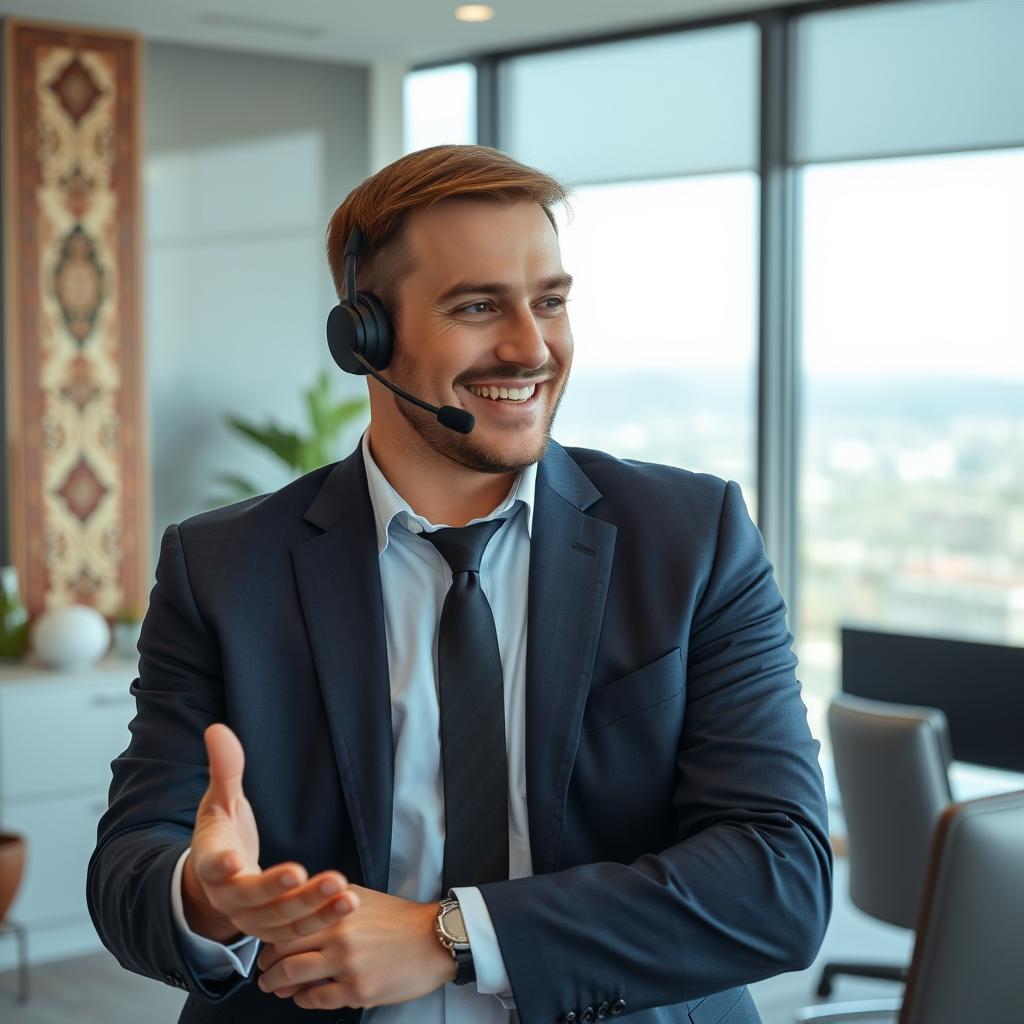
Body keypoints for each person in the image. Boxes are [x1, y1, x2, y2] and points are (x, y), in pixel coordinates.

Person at [88, 144, 832, 1024]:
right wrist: (209, 898)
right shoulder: (222, 566)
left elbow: (779, 877)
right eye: (478, 306)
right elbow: (131, 866)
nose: (531, 347)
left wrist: (450, 936)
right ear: (363, 336)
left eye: (549, 301)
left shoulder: (690, 537)